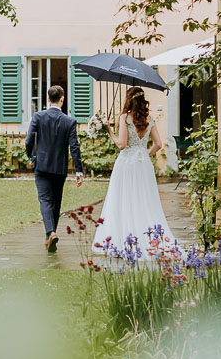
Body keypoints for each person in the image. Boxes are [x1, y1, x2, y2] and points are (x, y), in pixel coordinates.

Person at [93, 86, 175, 255]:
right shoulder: (149, 119)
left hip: (126, 163)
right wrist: (145, 153)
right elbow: (158, 144)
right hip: (143, 164)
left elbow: (122, 144)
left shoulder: (125, 118)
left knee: (123, 199)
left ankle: (123, 238)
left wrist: (110, 132)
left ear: (129, 100)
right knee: (144, 200)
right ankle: (147, 238)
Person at [25, 85, 83, 253]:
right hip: (59, 168)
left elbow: (29, 141)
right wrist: (78, 171)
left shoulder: (38, 116)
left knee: (44, 200)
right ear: (62, 99)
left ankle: (51, 232)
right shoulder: (69, 121)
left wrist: (31, 156)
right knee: (56, 203)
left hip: (41, 166)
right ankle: (50, 236)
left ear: (48, 99)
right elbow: (74, 147)